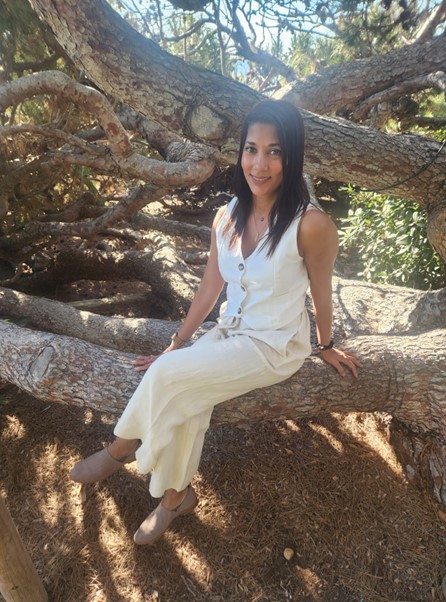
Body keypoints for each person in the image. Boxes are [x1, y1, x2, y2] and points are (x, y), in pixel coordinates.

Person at [70, 99, 361, 545]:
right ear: (240, 152)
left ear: (292, 156)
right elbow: (209, 288)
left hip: (274, 346)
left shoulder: (311, 225)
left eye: (275, 151)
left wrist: (325, 344)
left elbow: (320, 291)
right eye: (251, 148)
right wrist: (178, 342)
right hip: (228, 334)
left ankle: (119, 450)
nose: (259, 163)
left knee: (169, 378)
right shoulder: (226, 216)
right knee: (189, 400)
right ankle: (176, 498)